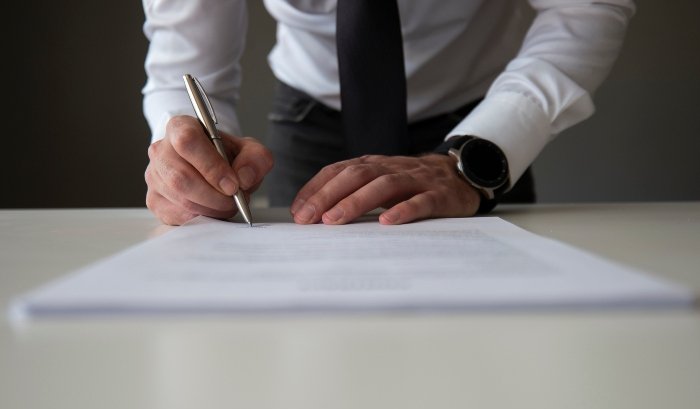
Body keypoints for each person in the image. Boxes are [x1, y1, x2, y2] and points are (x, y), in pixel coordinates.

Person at [142, 0, 635, 226]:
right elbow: (186, 62)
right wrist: (190, 154)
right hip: (311, 119)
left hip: (475, 125)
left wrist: (480, 152)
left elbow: (585, 7)